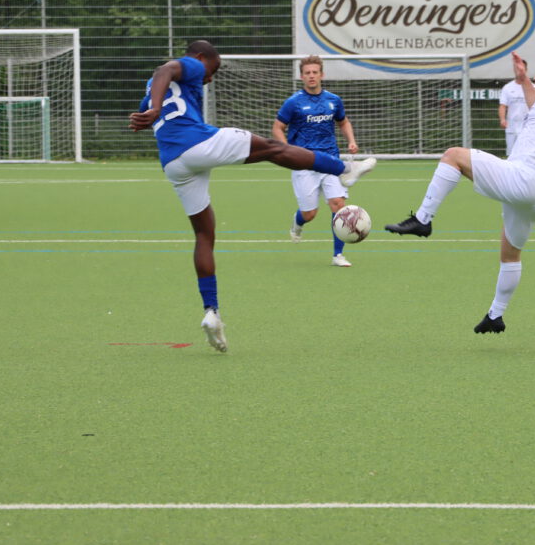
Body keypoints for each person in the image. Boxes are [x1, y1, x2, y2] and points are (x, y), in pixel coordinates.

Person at [129, 40, 376, 353]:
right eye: (213, 69)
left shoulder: (152, 88)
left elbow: (151, 102)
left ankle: (212, 312)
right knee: (274, 148)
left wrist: (147, 113)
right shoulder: (190, 64)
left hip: (174, 162)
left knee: (204, 233)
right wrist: (154, 108)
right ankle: (343, 169)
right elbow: (166, 69)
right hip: (196, 142)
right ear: (202, 57)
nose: (210, 78)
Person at [384, 49, 535, 334]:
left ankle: (423, 219)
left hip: (524, 178)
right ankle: (496, 315)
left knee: (453, 156)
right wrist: (523, 80)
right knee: (510, 254)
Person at [272, 56, 362, 267]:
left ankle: (338, 255)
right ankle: (297, 223)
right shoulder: (293, 102)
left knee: (338, 204)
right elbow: (277, 127)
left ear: (322, 74)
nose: (311, 76)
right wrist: (286, 149)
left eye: (315, 72)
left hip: (330, 161)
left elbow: (343, 122)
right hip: (304, 163)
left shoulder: (333, 100)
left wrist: (351, 140)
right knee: (309, 214)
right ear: (301, 76)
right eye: (307, 73)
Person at [498, 57, 530, 155]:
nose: (518, 70)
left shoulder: (532, 87)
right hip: (511, 128)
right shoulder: (507, 88)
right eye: (516, 68)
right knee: (511, 156)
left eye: (520, 68)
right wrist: (502, 119)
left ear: (525, 70)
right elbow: (503, 106)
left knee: (526, 155)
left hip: (527, 128)